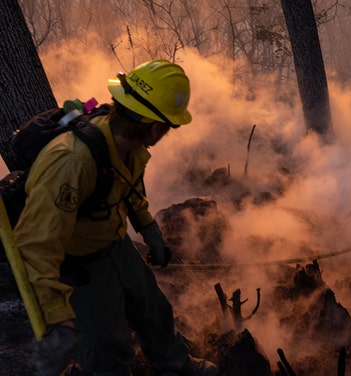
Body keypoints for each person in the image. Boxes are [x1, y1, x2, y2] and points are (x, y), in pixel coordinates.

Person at [13, 60, 219, 375]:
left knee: (154, 310)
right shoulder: (71, 162)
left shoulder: (129, 147)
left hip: (114, 244)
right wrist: (57, 317)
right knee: (108, 349)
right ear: (156, 128)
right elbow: (37, 244)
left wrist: (148, 228)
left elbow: (128, 186)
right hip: (78, 266)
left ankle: (176, 364)